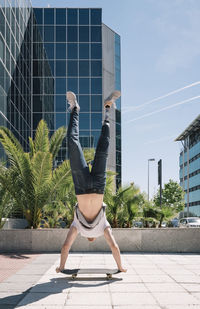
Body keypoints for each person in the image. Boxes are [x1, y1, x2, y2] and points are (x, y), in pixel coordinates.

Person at [56, 91, 126, 273]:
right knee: (92, 144)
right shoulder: (96, 227)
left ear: (91, 238)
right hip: (94, 185)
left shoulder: (79, 226)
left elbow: (114, 247)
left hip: (85, 186)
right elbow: (66, 247)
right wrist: (61, 267)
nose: (91, 237)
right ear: (91, 238)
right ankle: (108, 108)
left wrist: (121, 267)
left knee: (92, 145)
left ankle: (75, 109)